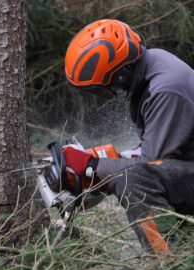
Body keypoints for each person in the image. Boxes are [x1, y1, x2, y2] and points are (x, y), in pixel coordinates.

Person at [62, 19, 194, 255]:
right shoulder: (152, 66)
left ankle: (171, 267)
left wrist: (93, 166)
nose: (108, 92)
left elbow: (150, 168)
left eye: (104, 86)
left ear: (120, 75)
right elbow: (157, 151)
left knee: (135, 181)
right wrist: (106, 158)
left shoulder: (164, 90)